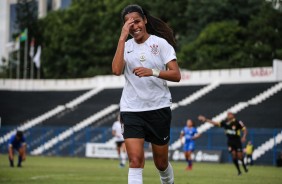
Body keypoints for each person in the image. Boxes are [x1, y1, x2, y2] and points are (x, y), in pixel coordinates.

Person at [112, 4, 181, 184]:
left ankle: (168, 181)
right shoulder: (125, 46)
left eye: (136, 21)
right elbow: (116, 70)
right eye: (128, 24)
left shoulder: (160, 44)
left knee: (161, 163)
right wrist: (121, 37)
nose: (134, 26)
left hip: (159, 108)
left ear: (145, 20)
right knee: (135, 160)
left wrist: (153, 72)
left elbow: (176, 74)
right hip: (131, 109)